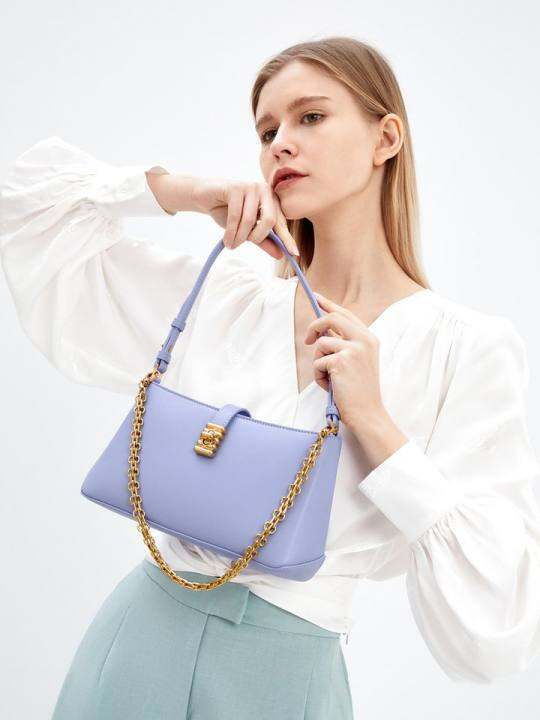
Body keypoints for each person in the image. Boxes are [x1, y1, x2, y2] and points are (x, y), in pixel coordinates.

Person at [2, 36, 540, 720]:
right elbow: (23, 204)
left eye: (310, 116)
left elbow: (499, 614)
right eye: (266, 131)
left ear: (386, 138)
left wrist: (374, 421)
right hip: (137, 645)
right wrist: (187, 194)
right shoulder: (226, 298)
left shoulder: (463, 347)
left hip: (285, 678)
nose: (281, 142)